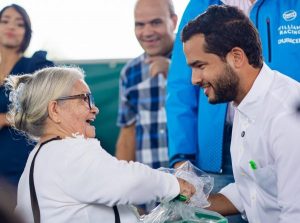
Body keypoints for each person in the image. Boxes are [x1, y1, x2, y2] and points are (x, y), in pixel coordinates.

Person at [5, 66, 195, 223]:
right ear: (55, 110)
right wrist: (174, 184)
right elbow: (128, 181)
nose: (94, 108)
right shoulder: (70, 151)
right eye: (84, 99)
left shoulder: (43, 155)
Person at [166, 0, 300, 205]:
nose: (194, 79)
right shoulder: (241, 106)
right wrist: (182, 158)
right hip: (219, 151)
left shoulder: (283, 118)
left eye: (200, 65)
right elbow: (180, 91)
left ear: (237, 57)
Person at [116, 0, 178, 169]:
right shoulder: (130, 72)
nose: (147, 32)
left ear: (173, 21)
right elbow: (127, 133)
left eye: (156, 22)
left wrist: (175, 73)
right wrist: (123, 182)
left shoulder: (193, 61)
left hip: (191, 182)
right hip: (149, 185)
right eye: (140, 25)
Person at [0, 4, 53, 190]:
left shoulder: (35, 66)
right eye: (5, 21)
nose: (11, 27)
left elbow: (48, 110)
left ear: (26, 32)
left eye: (19, 24)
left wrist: (5, 118)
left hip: (20, 168)